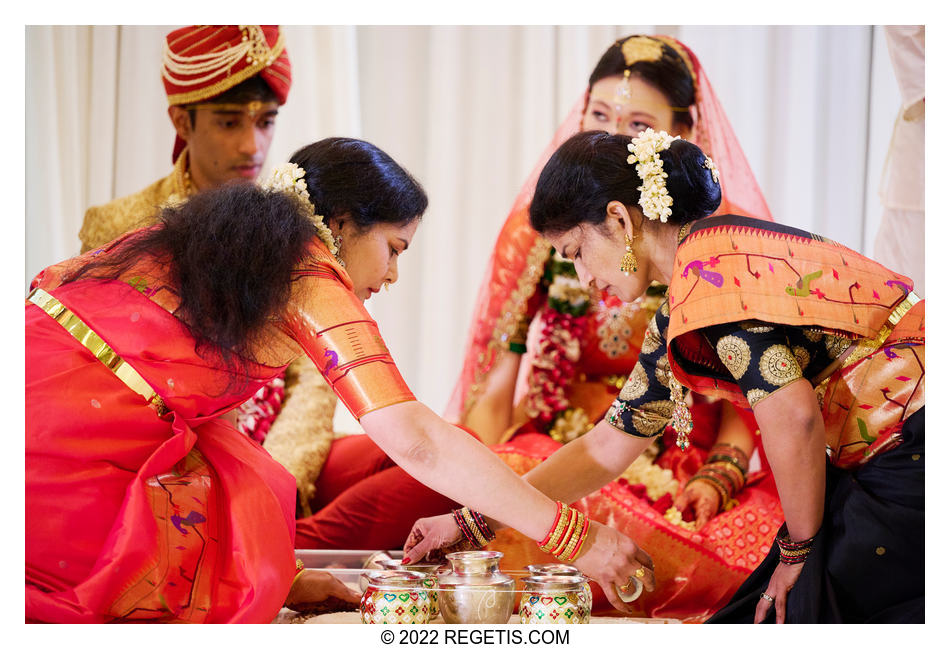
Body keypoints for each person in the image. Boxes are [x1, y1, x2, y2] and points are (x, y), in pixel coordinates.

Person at [25, 137, 653, 623]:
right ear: (345, 224)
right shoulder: (308, 272)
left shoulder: (232, 250)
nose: (393, 276)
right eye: (395, 248)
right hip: (62, 447)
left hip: (37, 402)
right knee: (238, 483)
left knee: (246, 473)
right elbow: (416, 440)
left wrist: (284, 575)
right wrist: (580, 541)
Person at [301, 35, 780, 621]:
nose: (579, 271)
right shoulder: (546, 234)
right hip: (563, 449)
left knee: (771, 542)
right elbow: (559, 431)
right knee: (498, 478)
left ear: (677, 134)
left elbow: (781, 407)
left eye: (636, 125)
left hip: (692, 464)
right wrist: (475, 498)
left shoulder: (718, 262)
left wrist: (723, 473)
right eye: (602, 118)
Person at [405, 128, 924, 624]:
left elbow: (793, 415)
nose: (584, 279)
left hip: (914, 446)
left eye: (578, 253)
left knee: (799, 611)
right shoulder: (700, 277)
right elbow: (604, 447)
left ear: (620, 219)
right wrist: (471, 521)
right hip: (892, 451)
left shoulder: (708, 278)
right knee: (762, 611)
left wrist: (799, 552)